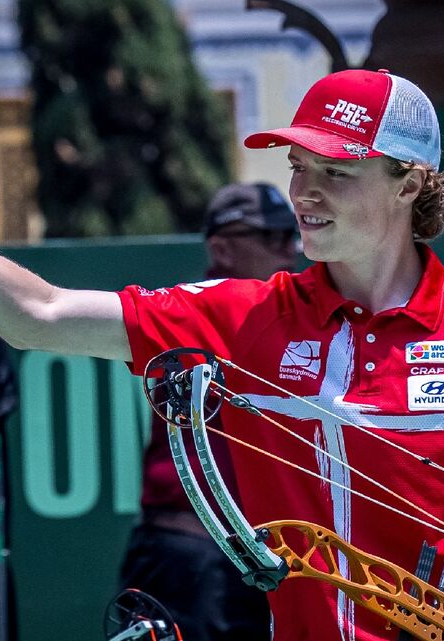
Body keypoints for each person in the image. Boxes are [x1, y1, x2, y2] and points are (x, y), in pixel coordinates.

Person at [0, 66, 444, 641]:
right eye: (297, 166)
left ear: (408, 184)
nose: (302, 192)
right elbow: (37, 315)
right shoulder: (246, 315)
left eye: (335, 172)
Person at [120, 182, 297, 640]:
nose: (289, 248)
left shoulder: (293, 319)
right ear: (221, 246)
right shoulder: (187, 311)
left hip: (267, 560)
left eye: (291, 234)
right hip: (194, 557)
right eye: (270, 236)